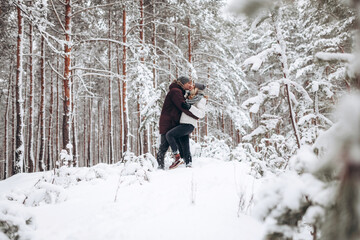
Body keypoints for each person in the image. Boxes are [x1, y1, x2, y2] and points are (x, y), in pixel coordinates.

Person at [156, 76, 199, 169]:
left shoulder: (179, 91)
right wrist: (196, 115)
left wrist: (190, 91)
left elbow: (186, 100)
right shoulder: (175, 92)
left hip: (174, 122)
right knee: (164, 146)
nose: (190, 85)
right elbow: (182, 106)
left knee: (181, 143)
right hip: (168, 122)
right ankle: (160, 168)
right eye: (188, 83)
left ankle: (184, 163)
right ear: (183, 84)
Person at [166, 83, 207, 169]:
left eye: (193, 87)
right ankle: (188, 163)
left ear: (197, 89)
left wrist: (190, 107)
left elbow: (201, 114)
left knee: (169, 135)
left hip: (189, 124)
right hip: (183, 123)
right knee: (184, 145)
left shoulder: (200, 99)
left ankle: (177, 157)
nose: (191, 87)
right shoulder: (189, 97)